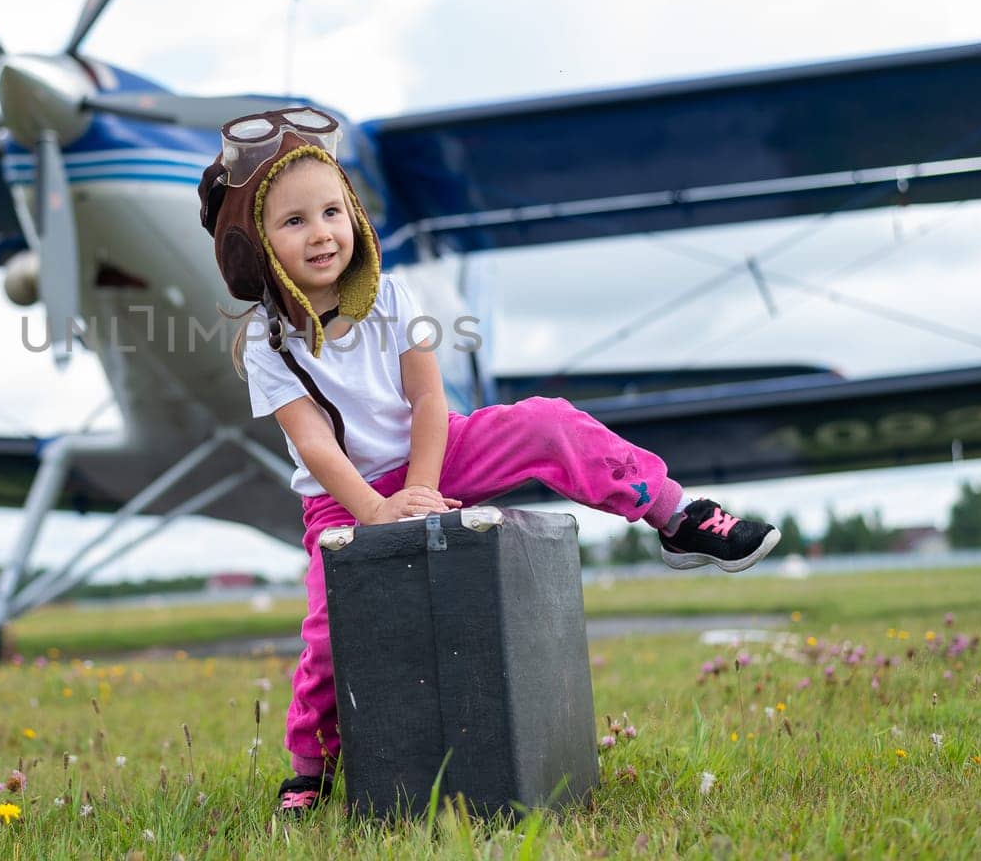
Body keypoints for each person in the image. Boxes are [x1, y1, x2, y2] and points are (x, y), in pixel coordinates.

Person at [197, 106, 780, 818]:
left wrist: (418, 486)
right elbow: (315, 445)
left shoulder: (392, 296)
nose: (321, 232)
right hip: (340, 494)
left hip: (435, 455)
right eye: (293, 222)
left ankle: (674, 513)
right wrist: (378, 513)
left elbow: (428, 398)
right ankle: (310, 766)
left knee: (549, 422)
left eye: (331, 211)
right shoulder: (269, 342)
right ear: (254, 247)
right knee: (328, 634)